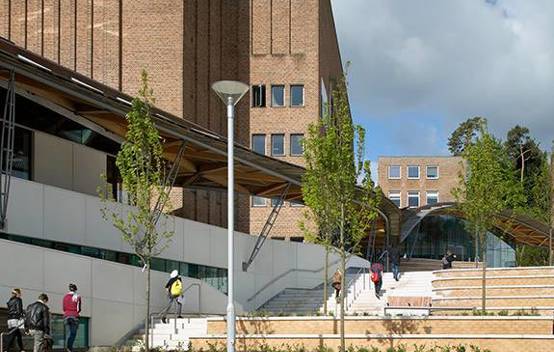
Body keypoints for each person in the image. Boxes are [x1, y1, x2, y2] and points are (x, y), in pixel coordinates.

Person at [63, 284, 82, 352]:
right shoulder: (77, 297)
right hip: (74, 316)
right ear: (75, 289)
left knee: (68, 333)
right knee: (73, 333)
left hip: (66, 316)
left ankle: (67, 348)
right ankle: (69, 348)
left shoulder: (65, 297)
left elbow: (64, 308)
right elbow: (78, 309)